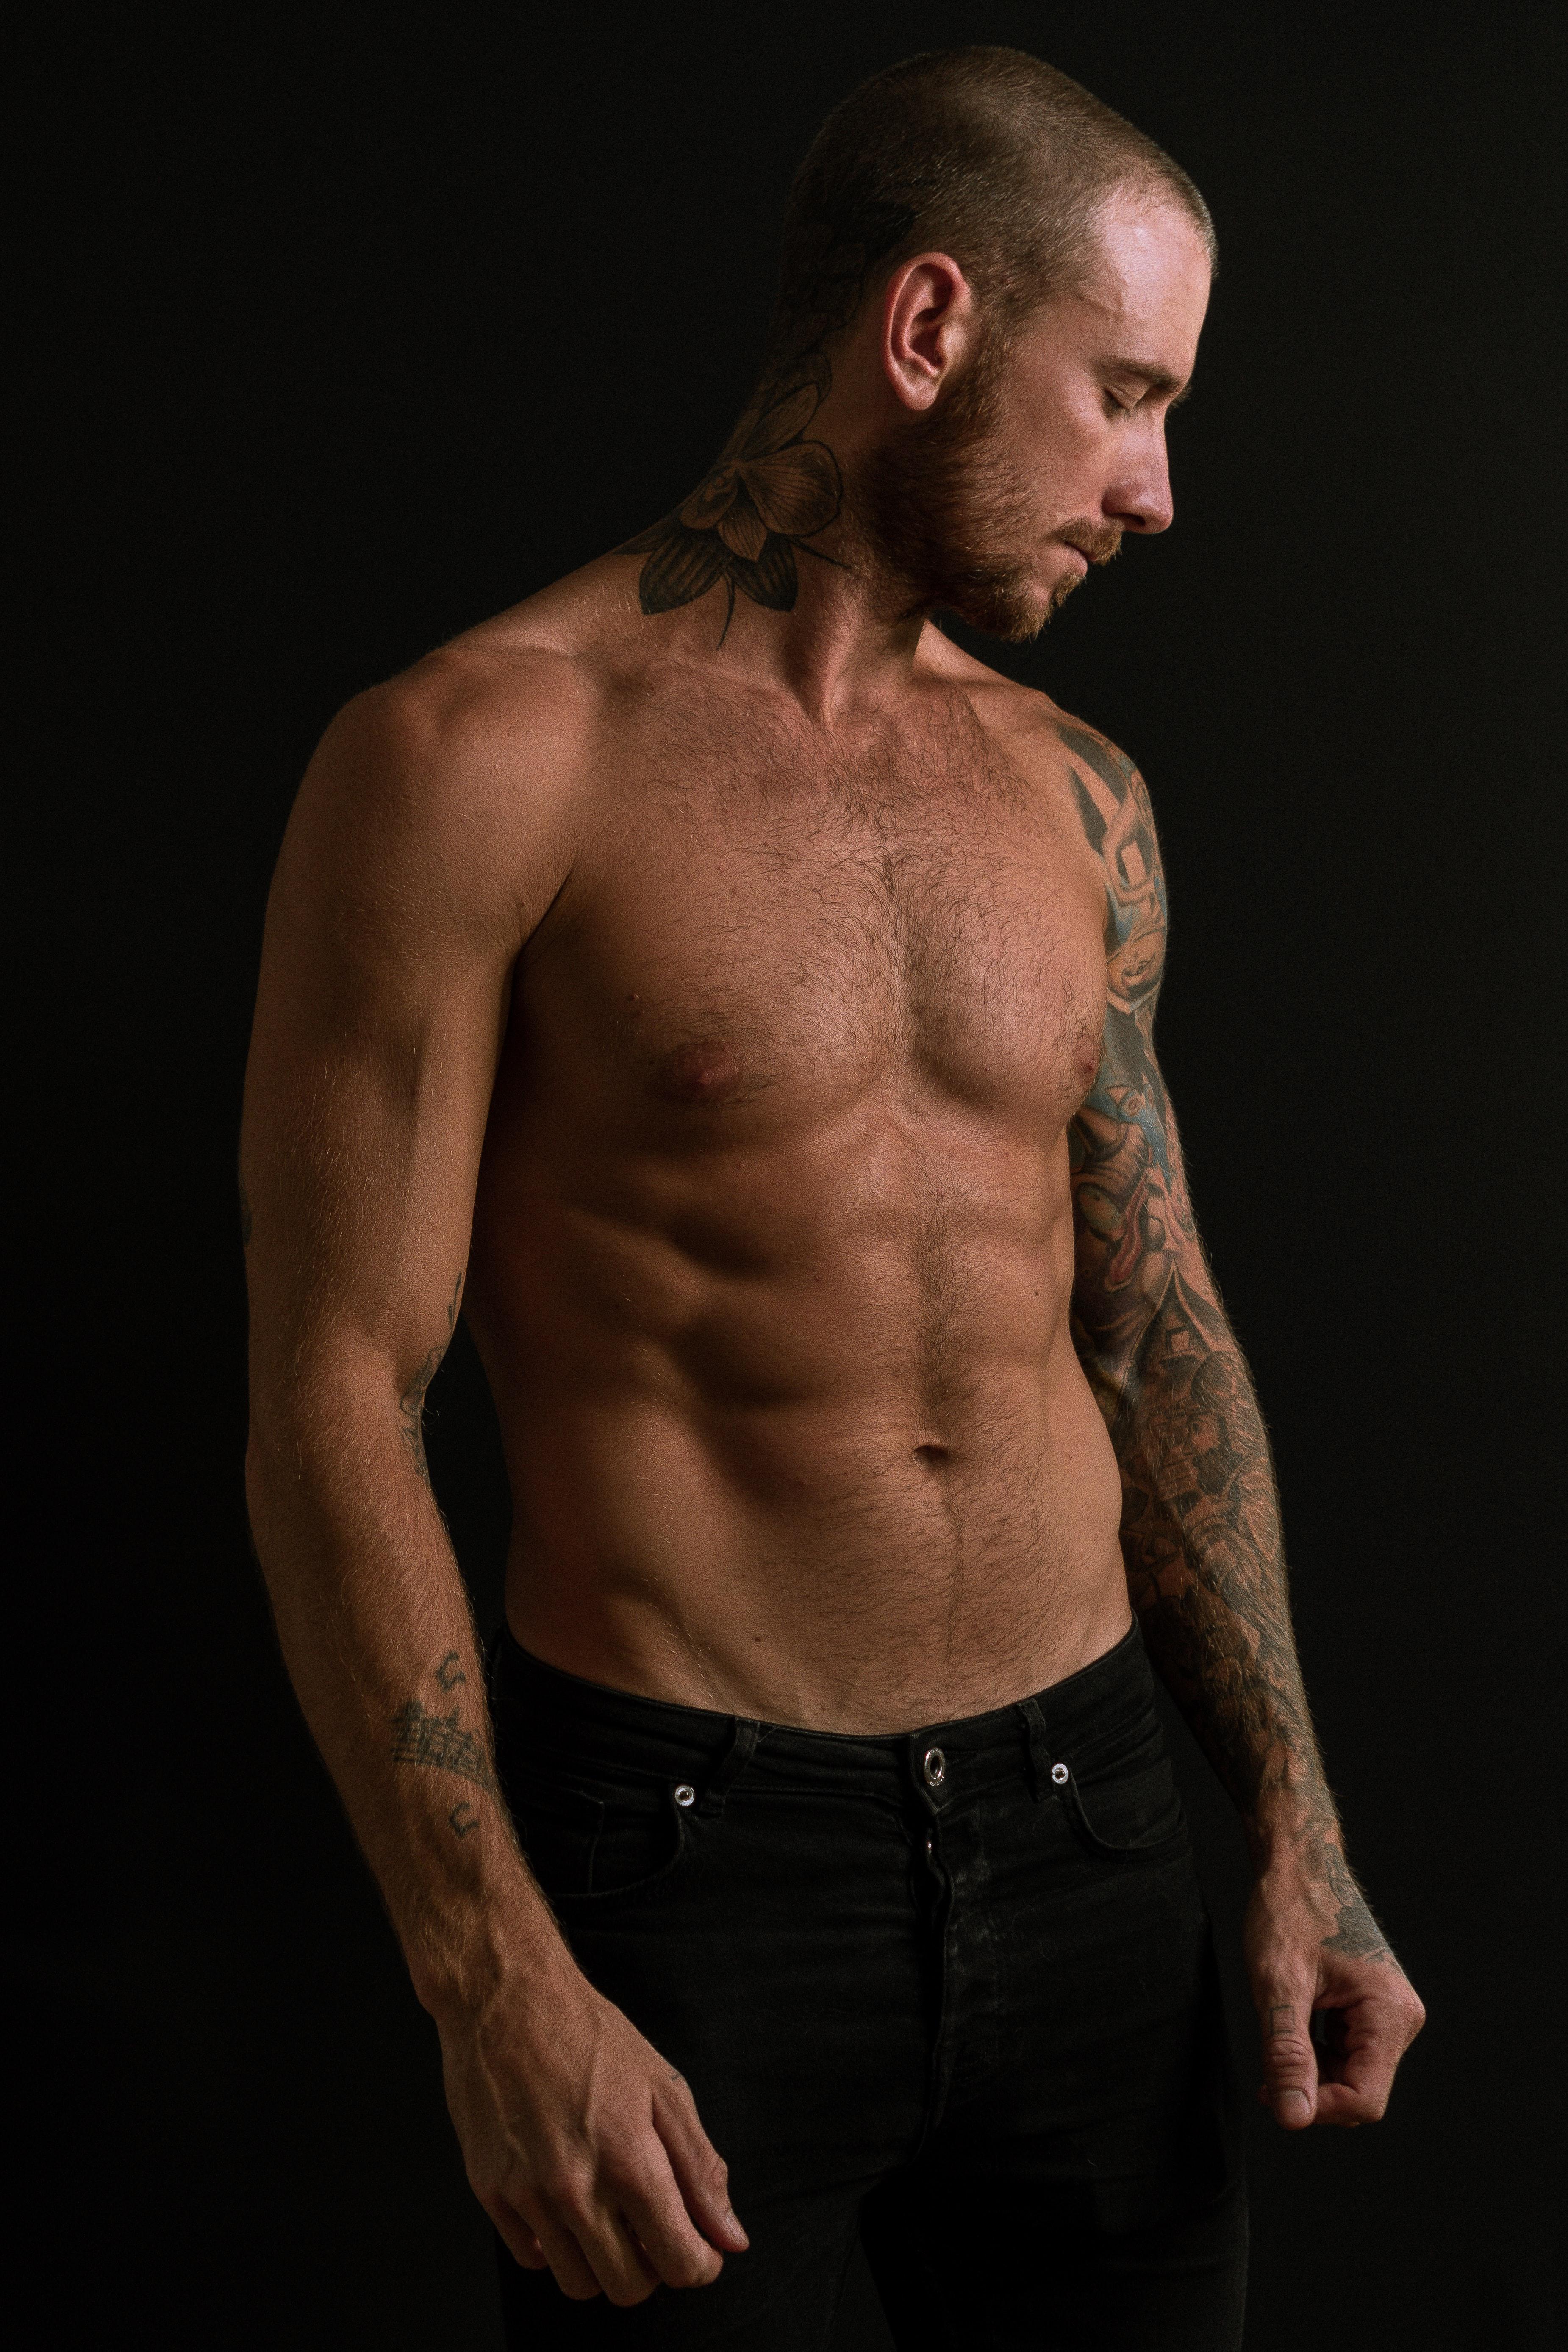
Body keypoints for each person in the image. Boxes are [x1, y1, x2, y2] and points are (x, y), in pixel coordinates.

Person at [241, 45, 1424, 2349]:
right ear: (929, 326)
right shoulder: (477, 759)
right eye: (1126, 395)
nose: (1156, 490)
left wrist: (1295, 1826)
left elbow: (1152, 1326)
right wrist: (492, 1981)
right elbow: (330, 1397)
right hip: (691, 1870)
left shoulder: (1076, 795)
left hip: (1092, 1831)